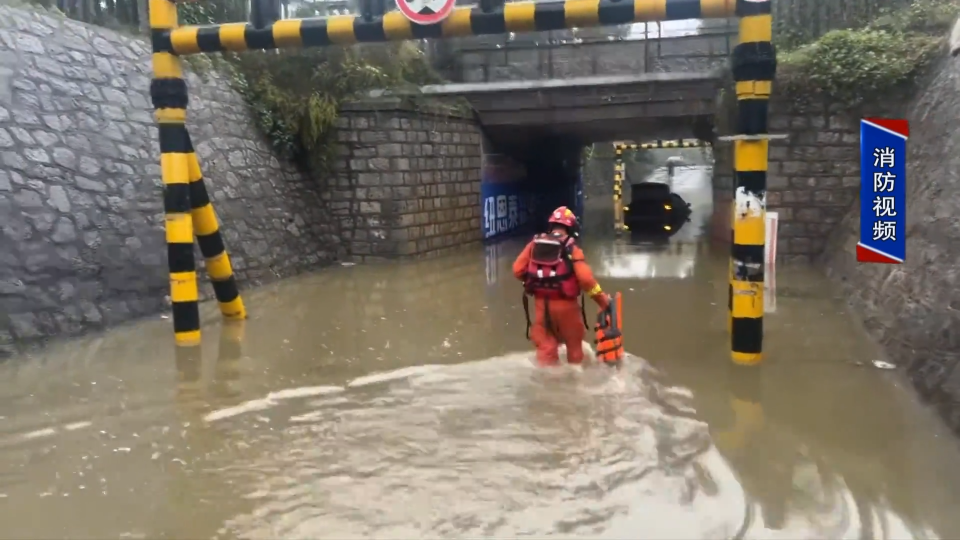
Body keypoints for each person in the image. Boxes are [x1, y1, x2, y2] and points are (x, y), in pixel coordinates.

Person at [513, 206, 611, 367]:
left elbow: (517, 270)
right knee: (574, 348)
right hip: (567, 309)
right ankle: (574, 387)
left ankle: (547, 387)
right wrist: (603, 301)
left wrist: (536, 280)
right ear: (572, 228)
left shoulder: (534, 244)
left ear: (551, 226)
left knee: (546, 349)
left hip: (541, 308)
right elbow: (586, 280)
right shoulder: (572, 249)